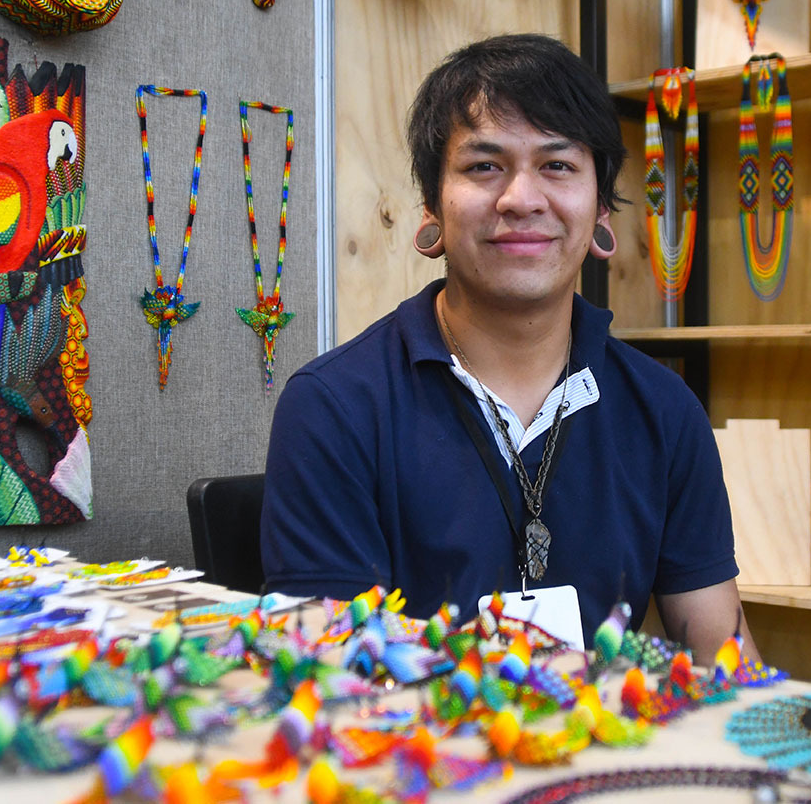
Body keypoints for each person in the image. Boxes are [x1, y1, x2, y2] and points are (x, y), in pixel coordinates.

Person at [261, 33, 758, 665]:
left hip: (604, 728)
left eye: (558, 165)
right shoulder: (335, 407)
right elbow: (326, 675)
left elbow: (724, 660)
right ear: (431, 206)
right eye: (484, 166)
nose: (521, 199)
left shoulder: (664, 410)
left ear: (601, 210)